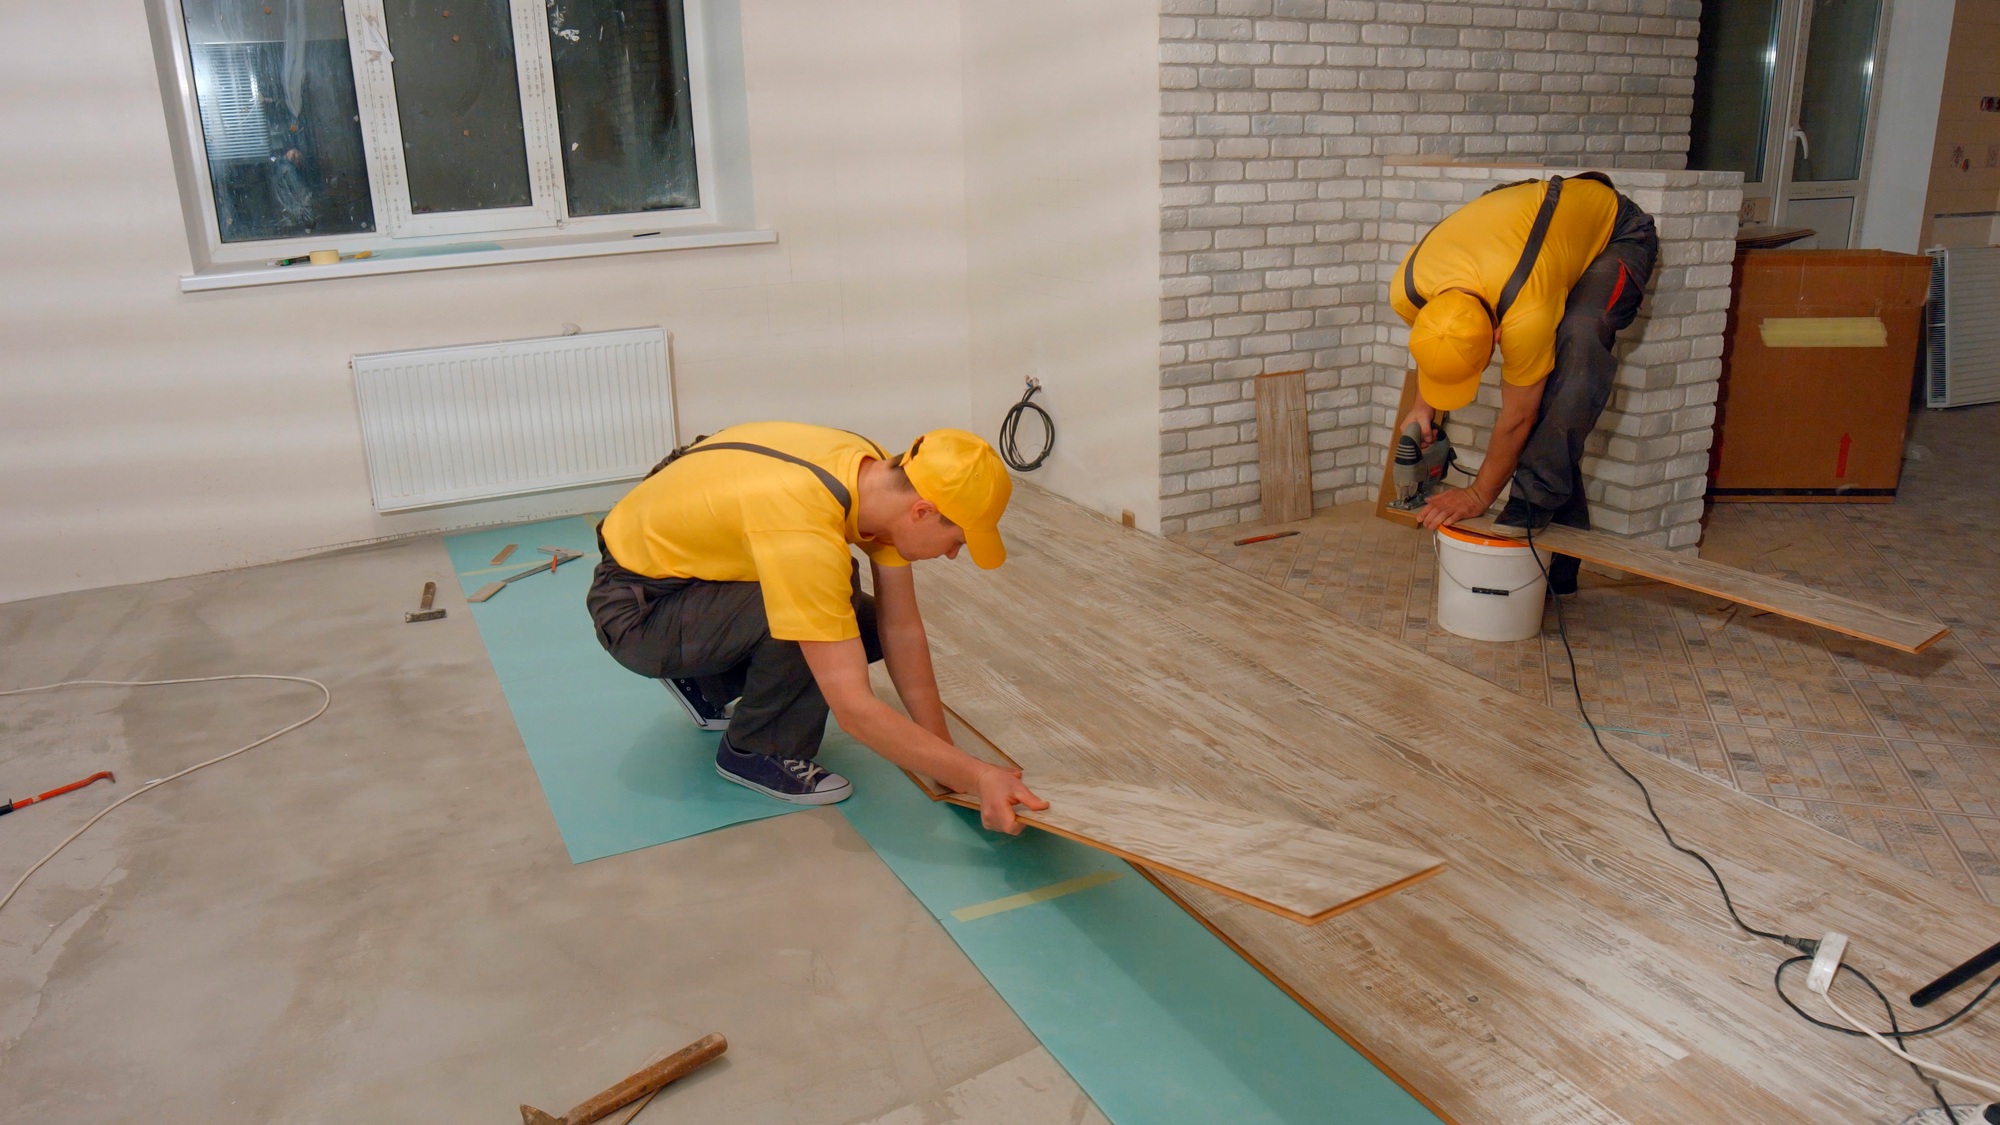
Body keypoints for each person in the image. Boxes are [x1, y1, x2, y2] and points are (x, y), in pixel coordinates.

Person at [586, 422, 1048, 834]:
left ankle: (705, 680)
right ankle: (755, 751)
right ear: (923, 512)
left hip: (682, 569)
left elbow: (900, 628)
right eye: (958, 540)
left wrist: (946, 758)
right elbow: (855, 710)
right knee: (822, 599)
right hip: (638, 610)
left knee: (854, 619)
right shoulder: (804, 530)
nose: (953, 554)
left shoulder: (875, 472)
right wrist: (979, 776)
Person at [1389, 172, 1659, 594]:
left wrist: (1479, 494)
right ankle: (1558, 573)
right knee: (1552, 393)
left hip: (1612, 230)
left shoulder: (1524, 312)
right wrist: (1424, 406)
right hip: (1521, 219)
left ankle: (1532, 503)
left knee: (1578, 347)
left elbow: (1519, 417)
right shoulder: (1408, 290)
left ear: (1497, 335)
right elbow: (1438, 335)